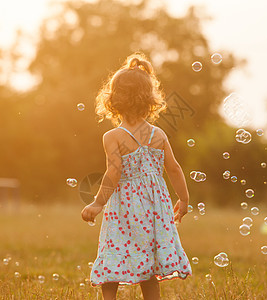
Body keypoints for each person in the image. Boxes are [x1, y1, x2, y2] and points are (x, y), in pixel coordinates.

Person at [81, 52, 192, 300]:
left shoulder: (112, 137)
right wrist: (183, 200)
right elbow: (173, 168)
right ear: (149, 99)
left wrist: (98, 202)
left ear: (112, 100)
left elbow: (114, 171)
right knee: (149, 261)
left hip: (125, 208)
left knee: (114, 250)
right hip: (154, 208)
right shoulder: (159, 135)